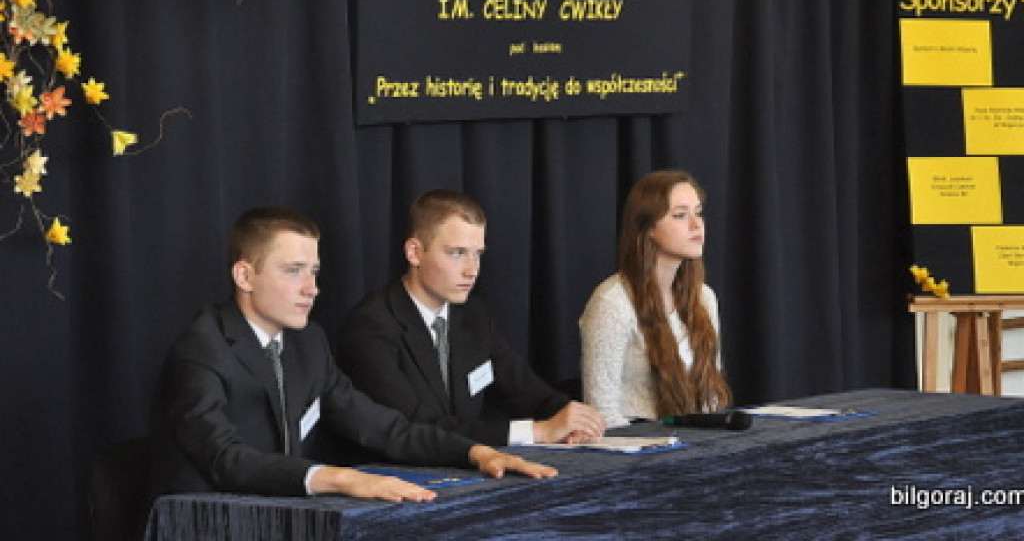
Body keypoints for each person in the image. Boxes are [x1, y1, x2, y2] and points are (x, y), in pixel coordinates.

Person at [150, 206, 555, 503]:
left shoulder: (309, 342)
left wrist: (472, 452)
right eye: (293, 270)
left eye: (314, 271)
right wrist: (341, 479)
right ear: (245, 276)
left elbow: (382, 427)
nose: (311, 288)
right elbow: (224, 459)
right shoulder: (201, 349)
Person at [338, 189, 605, 446]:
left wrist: (574, 419)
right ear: (414, 252)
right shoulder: (370, 326)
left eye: (477, 254)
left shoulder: (473, 315)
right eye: (457, 253)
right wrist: (538, 431)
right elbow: (416, 428)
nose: (472, 270)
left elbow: (525, 390)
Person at [579, 170, 731, 428]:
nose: (696, 225)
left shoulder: (704, 296)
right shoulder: (612, 302)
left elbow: (710, 399)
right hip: (636, 442)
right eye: (680, 215)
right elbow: (601, 411)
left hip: (695, 441)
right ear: (648, 228)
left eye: (698, 212)